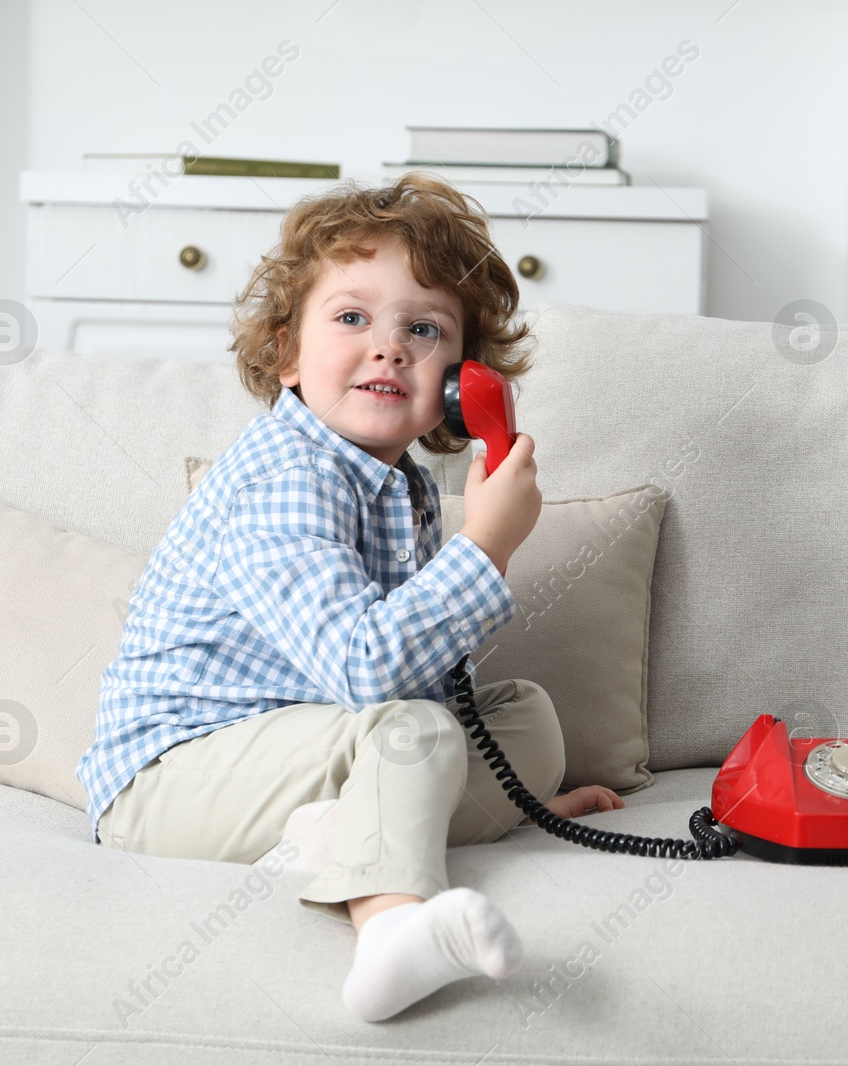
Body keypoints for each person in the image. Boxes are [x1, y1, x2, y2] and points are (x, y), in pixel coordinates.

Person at [74, 173, 624, 1022]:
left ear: (461, 384)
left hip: (309, 748)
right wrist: (488, 546)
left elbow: (426, 680)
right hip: (173, 778)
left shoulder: (398, 484)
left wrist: (520, 800)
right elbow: (369, 671)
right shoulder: (285, 476)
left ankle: (341, 836)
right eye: (352, 317)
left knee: (527, 719)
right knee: (412, 730)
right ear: (289, 355)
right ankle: (390, 934)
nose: (389, 346)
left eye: (424, 328)